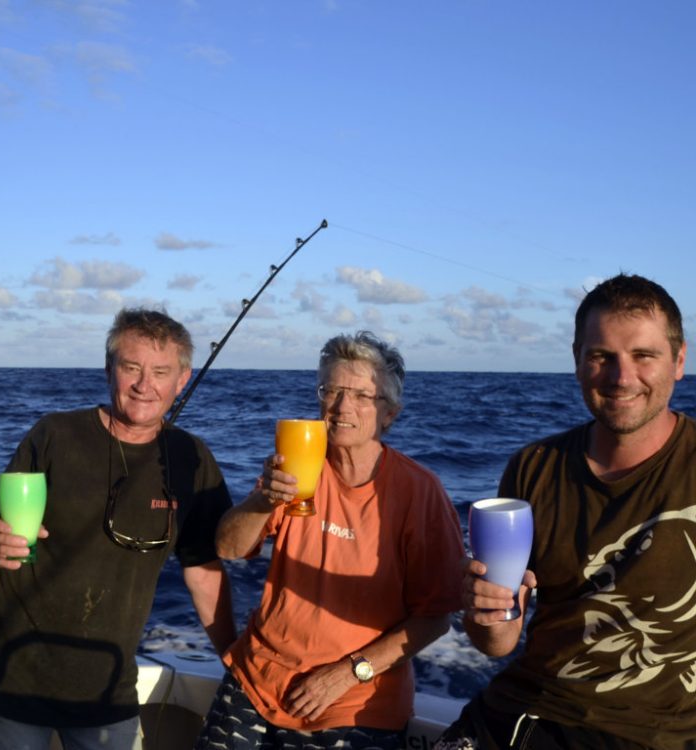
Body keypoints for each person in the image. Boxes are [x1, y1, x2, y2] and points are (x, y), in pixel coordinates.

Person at [0, 308, 237, 750]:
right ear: (109, 371)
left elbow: (203, 570)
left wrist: (234, 658)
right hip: (7, 677)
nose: (145, 385)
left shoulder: (191, 458)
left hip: (108, 688)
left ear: (182, 379)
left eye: (161, 371)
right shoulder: (55, 435)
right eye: (131, 368)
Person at [433, 273, 695, 750]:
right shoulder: (533, 468)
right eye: (601, 357)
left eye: (643, 355)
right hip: (519, 714)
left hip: (650, 735)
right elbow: (498, 643)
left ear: (678, 361)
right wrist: (484, 610)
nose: (621, 377)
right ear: (577, 361)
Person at [195, 331, 465, 750]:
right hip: (256, 680)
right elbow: (228, 548)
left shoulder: (420, 491)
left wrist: (346, 672)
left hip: (354, 700)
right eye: (331, 391)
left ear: (389, 413)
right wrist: (263, 498)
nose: (341, 408)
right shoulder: (297, 468)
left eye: (361, 395)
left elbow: (435, 617)